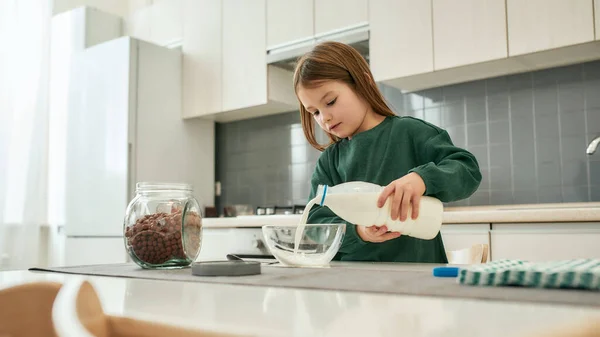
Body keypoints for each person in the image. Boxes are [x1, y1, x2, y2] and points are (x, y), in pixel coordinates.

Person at [294, 41, 482, 263]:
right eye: (314, 112)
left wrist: (422, 179)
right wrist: (359, 231)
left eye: (331, 102)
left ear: (363, 82)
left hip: (417, 283)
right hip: (352, 287)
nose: (324, 118)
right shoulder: (330, 161)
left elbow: (467, 170)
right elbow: (314, 226)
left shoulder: (409, 133)